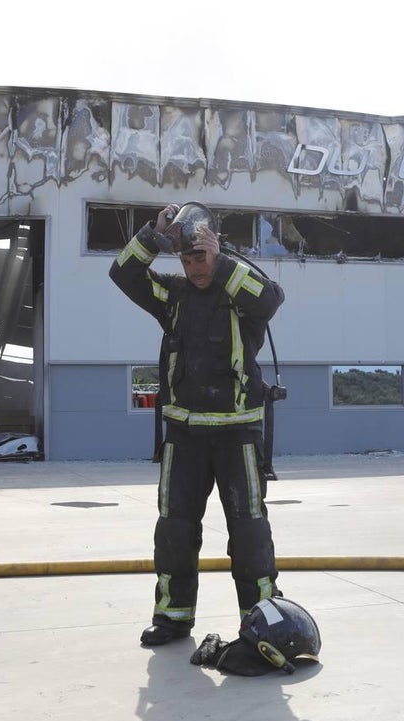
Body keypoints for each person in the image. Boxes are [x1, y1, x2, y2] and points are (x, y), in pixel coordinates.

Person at [109, 201, 285, 647]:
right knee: (174, 529)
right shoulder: (173, 296)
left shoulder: (238, 291)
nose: (194, 269)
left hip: (237, 435)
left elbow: (270, 299)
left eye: (200, 258)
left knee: (248, 530)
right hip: (183, 437)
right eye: (186, 261)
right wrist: (153, 235)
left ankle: (261, 617)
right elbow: (123, 274)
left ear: (215, 249)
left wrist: (221, 258)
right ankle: (172, 617)